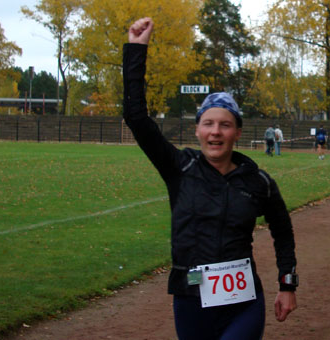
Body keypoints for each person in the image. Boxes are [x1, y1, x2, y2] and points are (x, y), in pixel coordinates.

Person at [124, 18, 298, 340]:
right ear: (197, 130)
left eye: (225, 124)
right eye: (208, 123)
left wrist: (287, 284)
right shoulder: (179, 168)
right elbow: (136, 118)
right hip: (190, 301)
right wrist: (137, 50)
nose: (215, 131)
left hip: (244, 303)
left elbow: (283, 231)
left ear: (237, 132)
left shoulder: (258, 181)